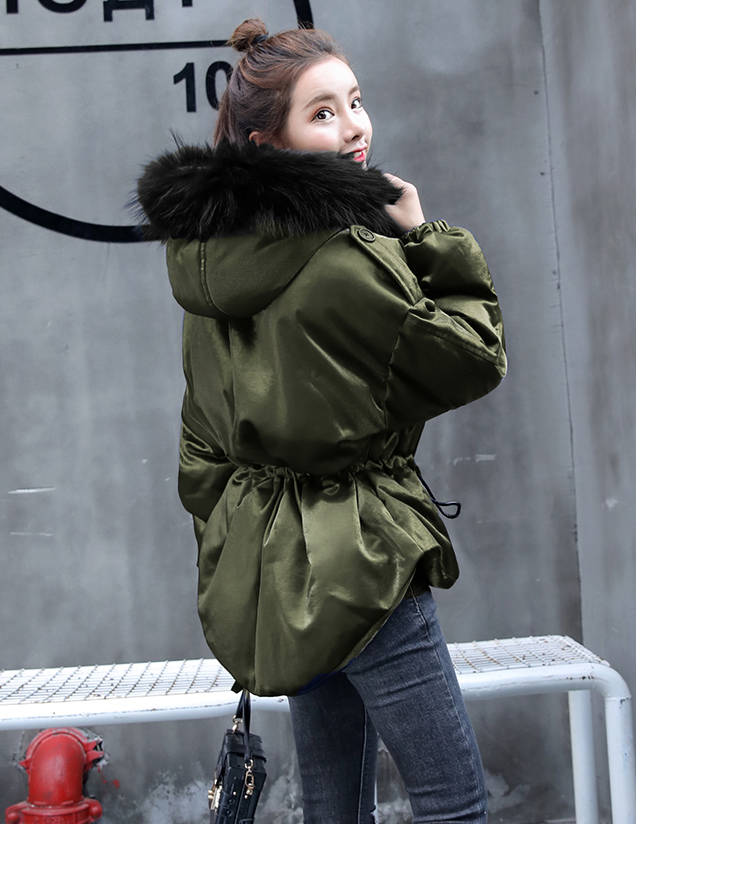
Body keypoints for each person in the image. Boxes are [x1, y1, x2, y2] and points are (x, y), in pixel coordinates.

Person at [136, 17, 507, 824]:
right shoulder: (341, 257)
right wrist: (424, 236)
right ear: (268, 142)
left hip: (275, 567)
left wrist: (245, 540)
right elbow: (473, 354)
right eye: (324, 113)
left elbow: (202, 442)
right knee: (452, 802)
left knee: (334, 808)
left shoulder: (205, 261)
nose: (355, 127)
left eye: (356, 102)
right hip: (366, 558)